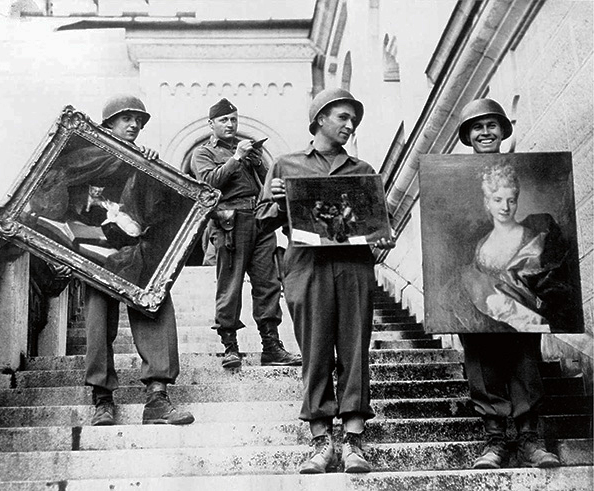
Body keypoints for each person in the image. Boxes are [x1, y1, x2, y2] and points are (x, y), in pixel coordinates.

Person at [32, 94, 195, 427]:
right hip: (94, 252)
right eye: (127, 118)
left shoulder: (143, 162)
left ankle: (157, 397)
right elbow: (50, 202)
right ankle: (102, 399)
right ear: (107, 123)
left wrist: (150, 170)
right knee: (96, 321)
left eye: (139, 120)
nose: (135, 124)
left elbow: (158, 212)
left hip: (138, 252)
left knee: (154, 306)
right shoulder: (80, 159)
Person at [255, 88, 394, 474]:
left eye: (353, 120)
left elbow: (381, 225)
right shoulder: (286, 165)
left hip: (353, 268)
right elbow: (263, 222)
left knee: (353, 349)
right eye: (342, 118)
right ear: (319, 119)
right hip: (306, 267)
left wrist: (384, 236)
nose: (349, 126)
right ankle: (321, 442)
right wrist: (275, 197)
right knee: (315, 351)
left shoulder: (363, 171)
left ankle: (353, 441)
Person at [456, 98, 561, 469]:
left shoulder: (533, 231)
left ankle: (531, 439)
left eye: (492, 125)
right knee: (482, 367)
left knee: (525, 364)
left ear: (503, 130)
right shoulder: (456, 192)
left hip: (522, 314)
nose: (485, 132)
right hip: (479, 314)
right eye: (477, 127)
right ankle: (495, 441)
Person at [190, 98, 301, 369]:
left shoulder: (248, 152)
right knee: (230, 284)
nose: (230, 124)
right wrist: (237, 158)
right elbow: (208, 184)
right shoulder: (203, 153)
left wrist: (257, 162)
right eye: (224, 120)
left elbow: (266, 185)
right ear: (211, 124)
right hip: (230, 222)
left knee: (268, 284)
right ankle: (230, 346)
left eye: (233, 119)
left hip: (260, 221)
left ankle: (271, 347)